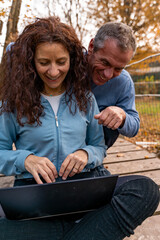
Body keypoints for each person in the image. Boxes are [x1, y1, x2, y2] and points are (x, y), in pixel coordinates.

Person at [0, 17, 159, 240]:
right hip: (33, 187)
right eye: (44, 62)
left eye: (61, 62)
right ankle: (84, 231)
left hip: (84, 180)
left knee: (147, 190)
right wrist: (25, 159)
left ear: (70, 60)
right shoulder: (12, 104)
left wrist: (86, 153)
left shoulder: (85, 97)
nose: (54, 72)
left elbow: (99, 145)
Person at [87, 22, 140, 148]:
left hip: (94, 151)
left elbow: (134, 125)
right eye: (105, 62)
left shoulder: (123, 82)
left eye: (118, 68)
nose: (108, 75)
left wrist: (122, 115)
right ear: (91, 46)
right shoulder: (64, 66)